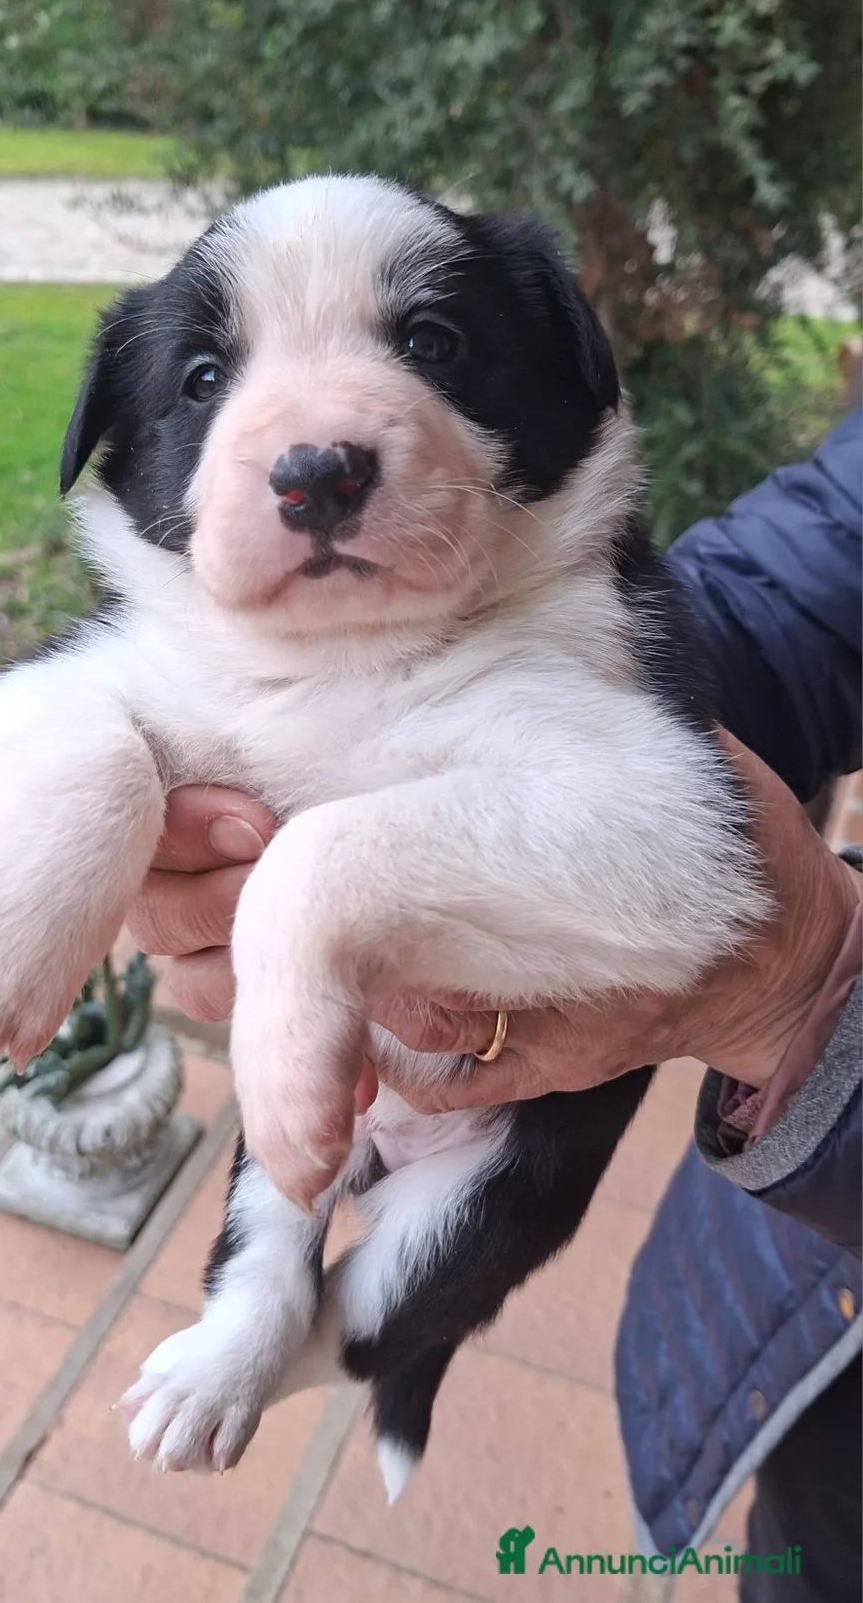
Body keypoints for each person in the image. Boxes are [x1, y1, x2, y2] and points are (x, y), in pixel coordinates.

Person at [128, 407, 862, 1601]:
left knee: (411, 1266)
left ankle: (344, 1351)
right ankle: (262, 1314)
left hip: (534, 1142)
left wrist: (812, 988)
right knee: (281, 1198)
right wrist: (612, 663)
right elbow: (838, 542)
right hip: (826, 1355)